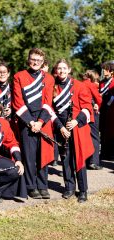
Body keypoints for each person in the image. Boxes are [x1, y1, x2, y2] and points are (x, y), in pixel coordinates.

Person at [12, 48, 54, 199]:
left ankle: (43, 185)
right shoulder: (19, 76)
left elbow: (48, 102)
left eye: (39, 60)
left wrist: (41, 122)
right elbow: (17, 101)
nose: (35, 62)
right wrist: (31, 122)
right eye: (33, 59)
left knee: (43, 154)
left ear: (43, 62)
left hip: (43, 121)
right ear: (28, 60)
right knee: (29, 156)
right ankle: (31, 186)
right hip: (26, 120)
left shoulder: (49, 78)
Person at [52, 59, 94, 203]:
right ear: (56, 70)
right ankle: (69, 187)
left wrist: (76, 121)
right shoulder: (53, 86)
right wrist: (60, 127)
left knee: (79, 159)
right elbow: (51, 111)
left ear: (69, 70)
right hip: (61, 129)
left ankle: (83, 190)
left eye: (64, 68)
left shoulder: (79, 86)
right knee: (65, 159)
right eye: (59, 68)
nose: (62, 71)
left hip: (76, 128)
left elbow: (87, 107)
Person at [81, 70, 103, 170]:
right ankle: (93, 162)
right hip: (91, 112)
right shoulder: (91, 85)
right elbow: (99, 99)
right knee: (95, 137)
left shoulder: (80, 83)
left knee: (85, 137)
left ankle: (84, 160)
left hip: (82, 114)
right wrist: (98, 105)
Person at [99, 61, 114, 160]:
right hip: (103, 109)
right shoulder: (102, 82)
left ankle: (111, 153)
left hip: (112, 109)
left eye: (106, 69)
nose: (104, 71)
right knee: (103, 131)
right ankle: (104, 152)